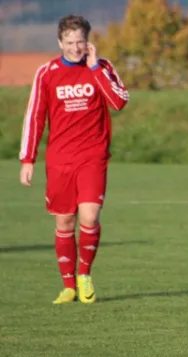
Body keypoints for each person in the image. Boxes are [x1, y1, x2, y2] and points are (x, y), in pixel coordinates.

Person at [18, 15, 129, 304]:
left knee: (90, 216)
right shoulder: (47, 73)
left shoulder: (101, 67)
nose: (75, 48)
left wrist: (94, 69)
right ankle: (68, 285)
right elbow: (35, 116)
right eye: (69, 43)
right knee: (64, 221)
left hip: (93, 156)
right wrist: (27, 159)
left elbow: (118, 101)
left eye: (80, 41)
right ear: (59, 43)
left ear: (88, 41)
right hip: (60, 160)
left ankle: (84, 275)